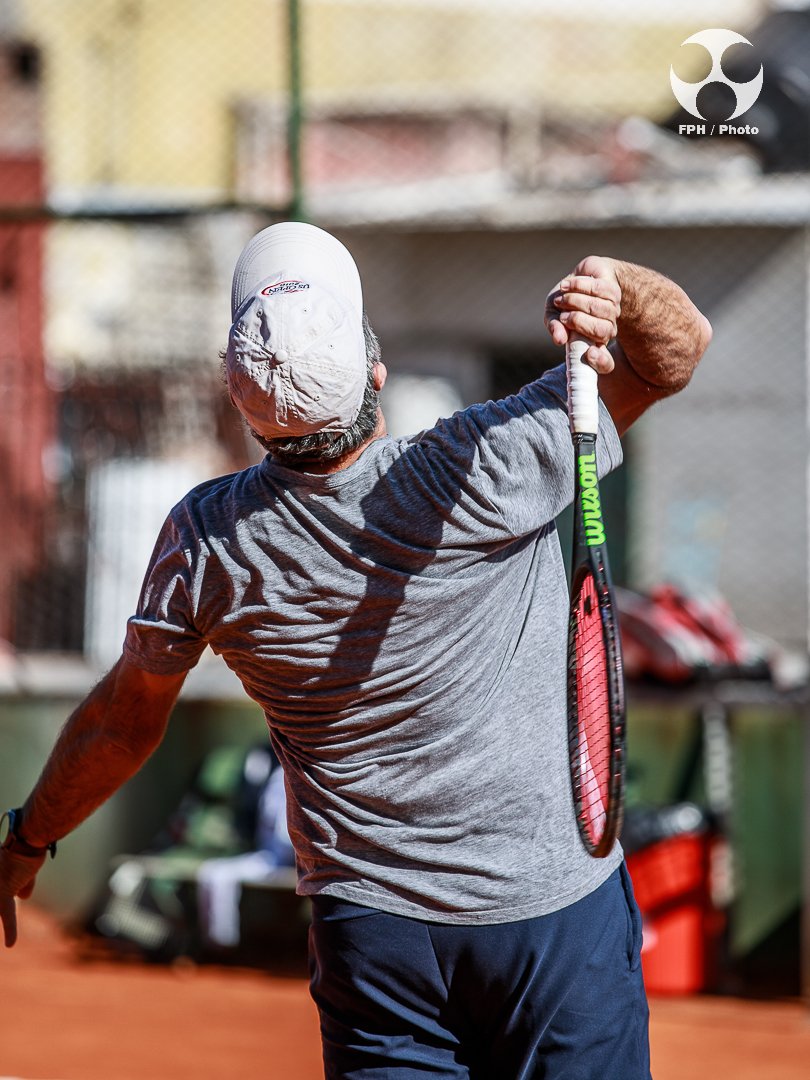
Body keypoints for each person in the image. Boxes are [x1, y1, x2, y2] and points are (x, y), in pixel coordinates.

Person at [0, 222, 711, 1078]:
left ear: (240, 398)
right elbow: (676, 352)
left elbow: (122, 723)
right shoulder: (486, 462)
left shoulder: (206, 543)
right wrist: (620, 288)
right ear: (377, 371)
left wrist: (25, 842)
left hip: (375, 940)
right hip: (550, 917)